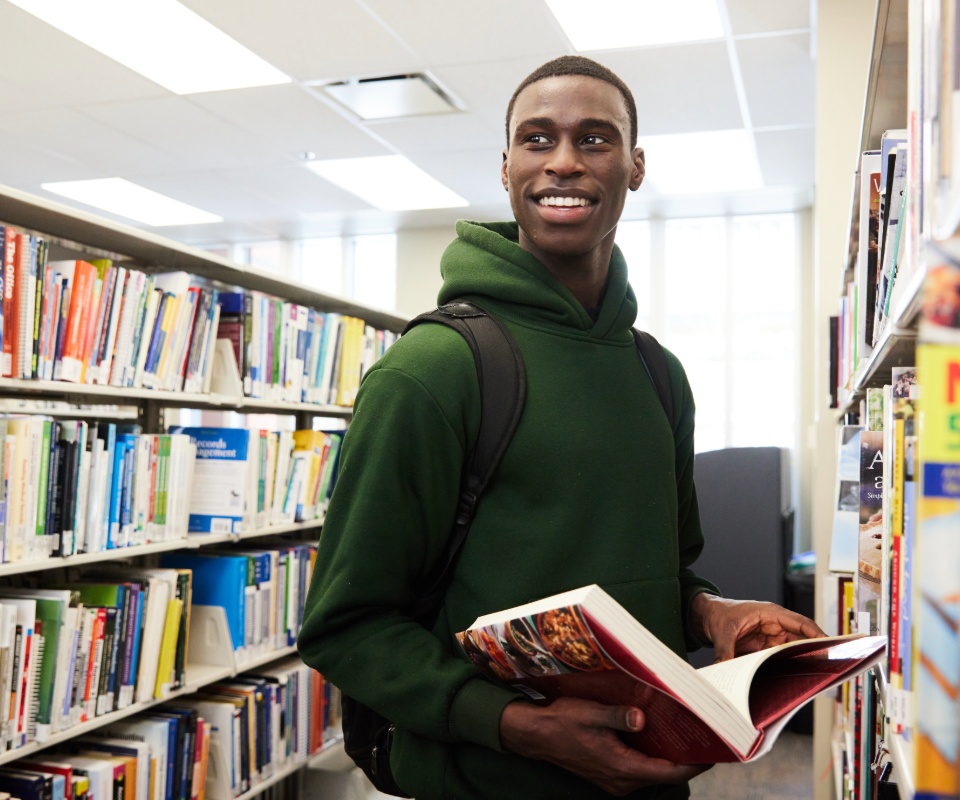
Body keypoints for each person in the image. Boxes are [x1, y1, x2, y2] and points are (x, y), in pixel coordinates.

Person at [297, 55, 823, 800]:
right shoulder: (433, 370)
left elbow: (661, 576)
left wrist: (716, 612)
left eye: (596, 139)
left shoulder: (657, 374)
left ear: (636, 166)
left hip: (648, 781)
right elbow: (345, 626)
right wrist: (518, 724)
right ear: (507, 165)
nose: (565, 163)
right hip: (483, 783)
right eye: (538, 140)